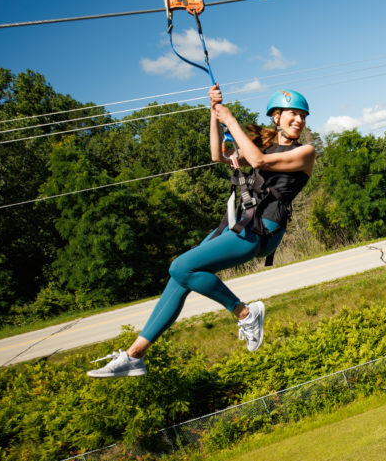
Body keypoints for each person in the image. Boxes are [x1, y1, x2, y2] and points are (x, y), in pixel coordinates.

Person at [87, 85, 316, 377]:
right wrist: (214, 112)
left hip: (262, 230)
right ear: (276, 117)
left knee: (180, 265)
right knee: (179, 278)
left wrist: (231, 119)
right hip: (238, 223)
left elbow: (258, 162)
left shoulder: (305, 152)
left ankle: (246, 313)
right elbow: (217, 155)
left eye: (302, 116)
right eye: (293, 114)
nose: (298, 120)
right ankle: (135, 355)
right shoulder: (264, 146)